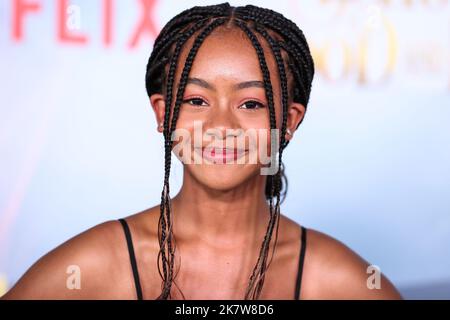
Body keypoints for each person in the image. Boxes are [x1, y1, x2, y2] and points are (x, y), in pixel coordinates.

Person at [1, 3, 402, 300]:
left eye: (251, 104)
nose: (222, 127)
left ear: (291, 121)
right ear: (163, 113)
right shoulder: (90, 268)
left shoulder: (344, 283)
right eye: (196, 100)